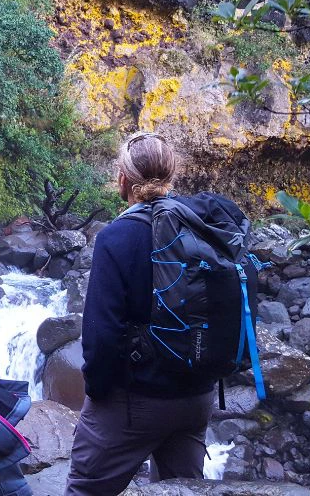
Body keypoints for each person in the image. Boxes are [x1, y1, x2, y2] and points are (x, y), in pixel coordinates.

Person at [65, 132, 215, 496]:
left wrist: (97, 396)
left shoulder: (116, 237)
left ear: (123, 178)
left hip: (137, 398)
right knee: (183, 491)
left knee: (84, 489)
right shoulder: (203, 228)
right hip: (197, 395)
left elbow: (101, 337)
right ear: (171, 176)